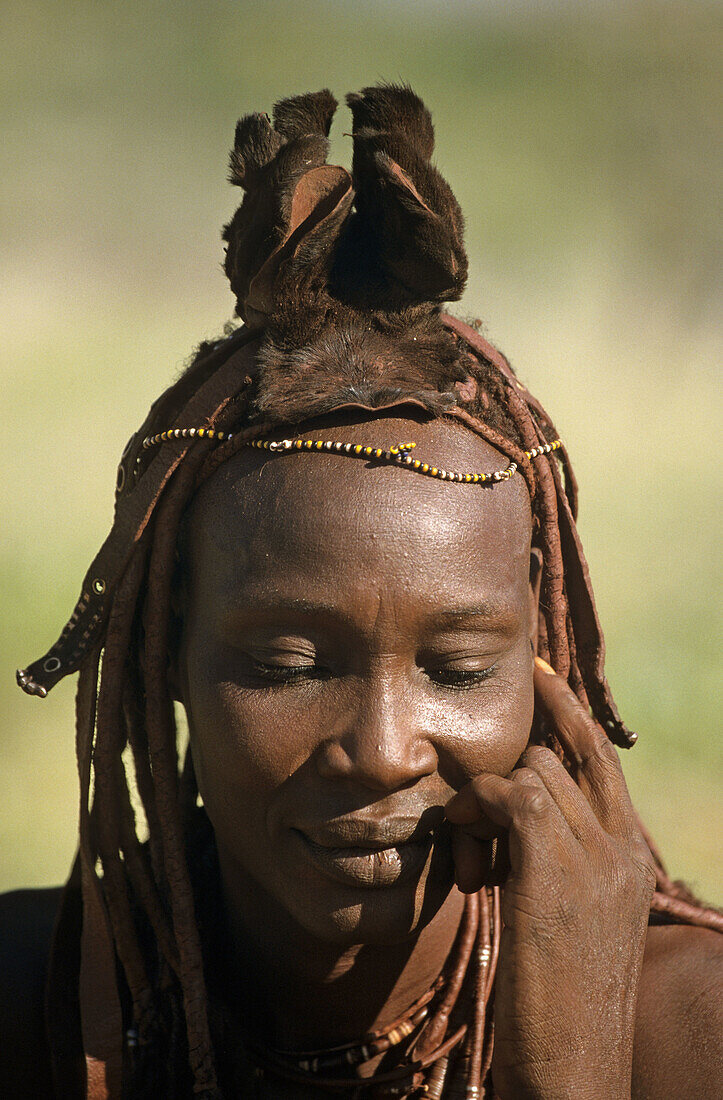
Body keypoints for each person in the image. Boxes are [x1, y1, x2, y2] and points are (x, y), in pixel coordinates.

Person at [3, 84, 721, 1099]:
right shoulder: (38, 1008)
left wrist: (569, 1074)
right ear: (168, 657)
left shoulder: (689, 1032)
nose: (384, 750)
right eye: (290, 663)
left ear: (541, 661)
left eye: (460, 666)